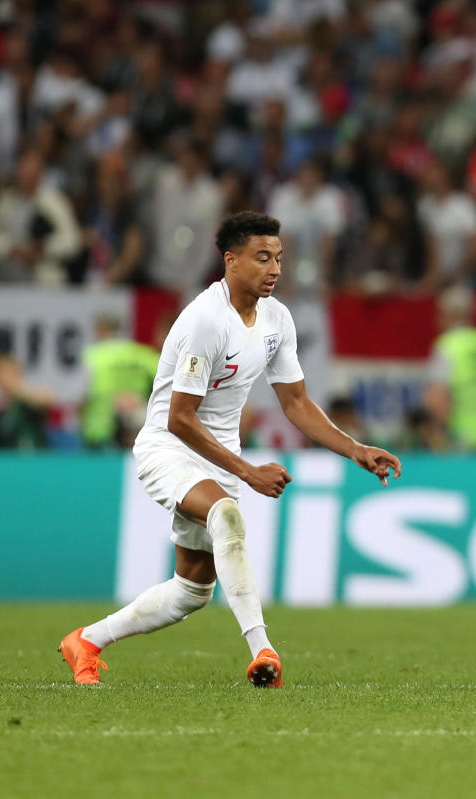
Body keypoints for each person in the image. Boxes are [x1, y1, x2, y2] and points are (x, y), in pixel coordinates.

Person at [57, 211, 401, 687]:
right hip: (168, 446)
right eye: (263, 258)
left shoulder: (278, 318)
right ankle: (263, 650)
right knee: (226, 515)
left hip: (218, 454)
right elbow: (180, 417)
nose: (275, 269)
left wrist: (355, 449)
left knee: (192, 591)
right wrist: (246, 471)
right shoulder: (205, 320)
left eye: (279, 258)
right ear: (231, 261)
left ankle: (86, 642)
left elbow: (296, 402)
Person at [423, 285, 476, 452]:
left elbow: (437, 399)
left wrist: (442, 436)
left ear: (451, 313)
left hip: (462, 436)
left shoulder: (448, 345)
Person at [80, 315, 160, 449]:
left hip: (99, 430)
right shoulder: (141, 353)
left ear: (100, 330)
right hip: (138, 430)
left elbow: (80, 394)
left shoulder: (91, 355)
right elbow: (171, 380)